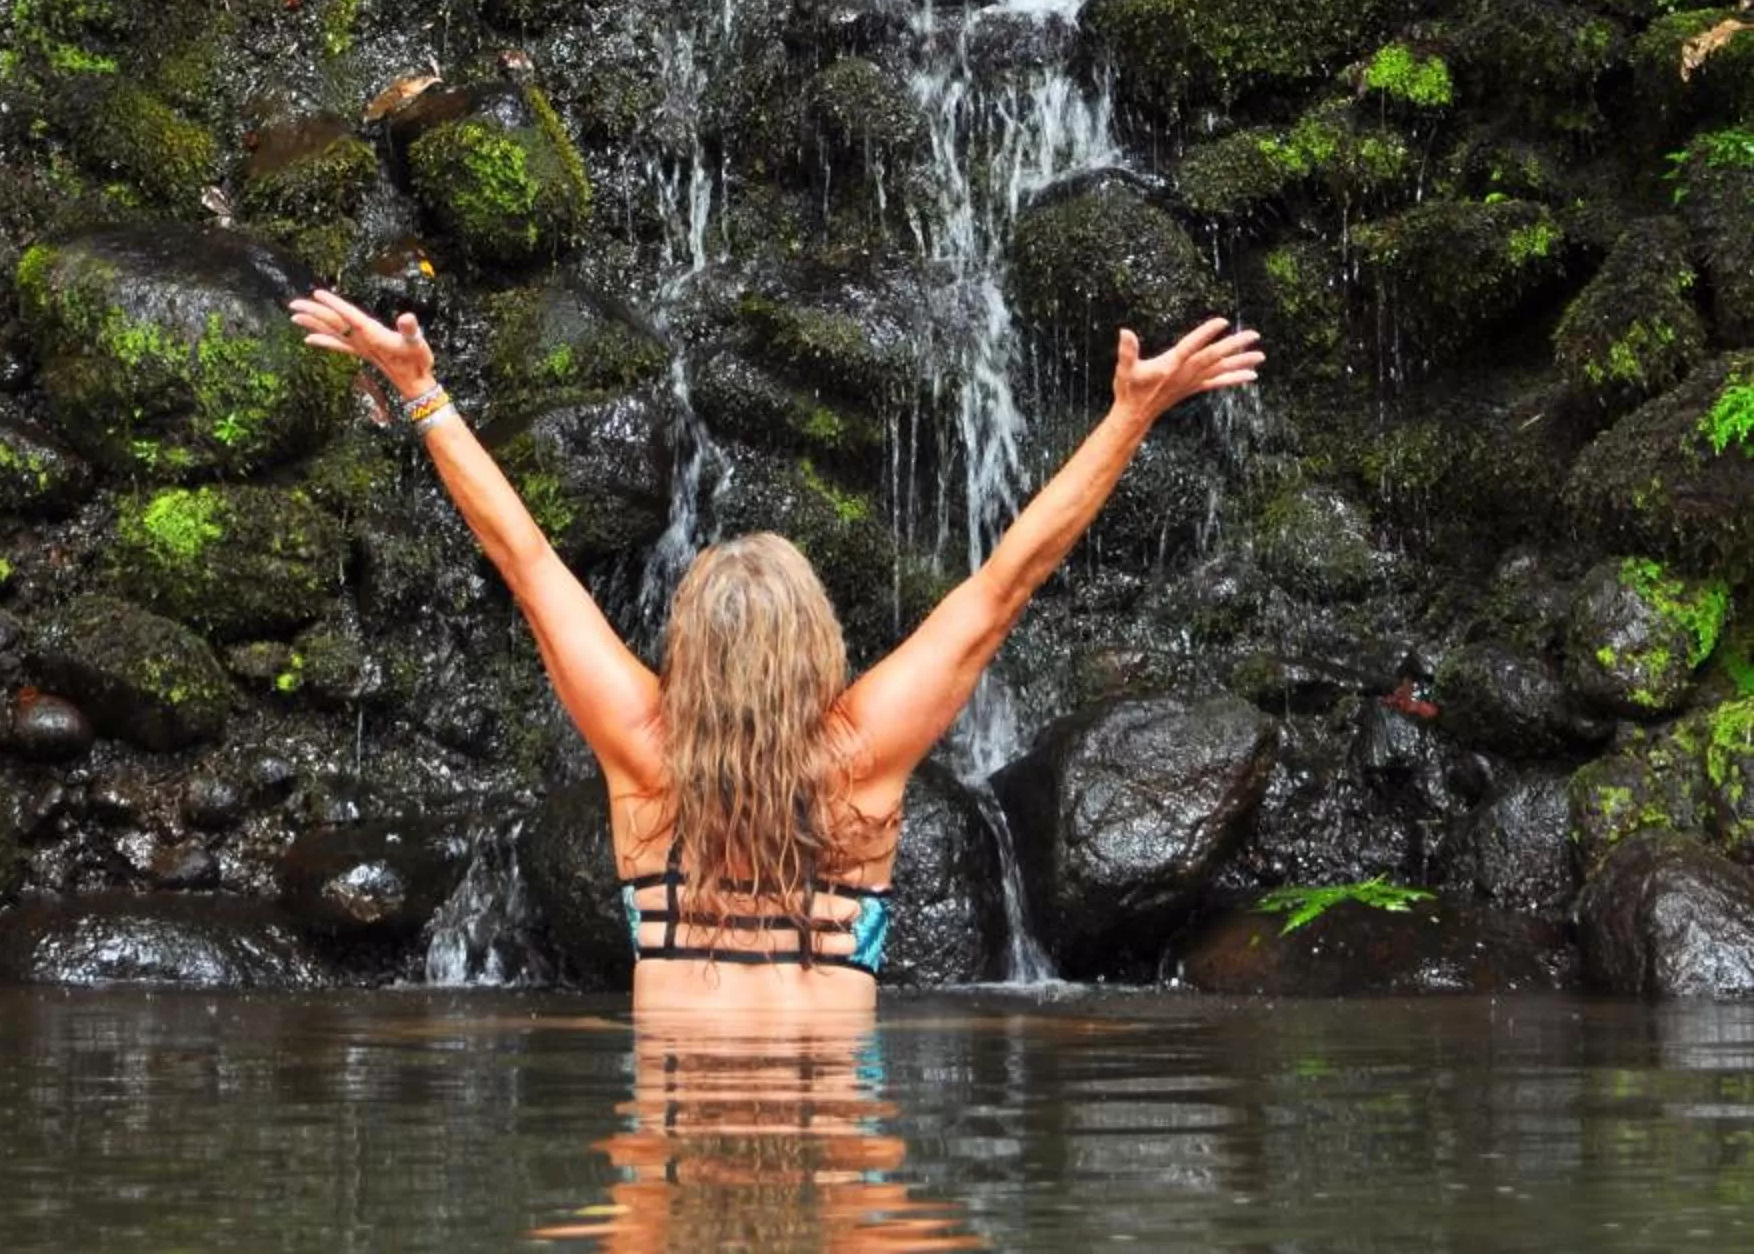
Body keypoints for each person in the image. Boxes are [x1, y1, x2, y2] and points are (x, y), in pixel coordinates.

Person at [290, 289, 1262, 1021]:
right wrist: (1131, 415)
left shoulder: (643, 750)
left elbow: (527, 558)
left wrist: (422, 394)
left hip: (667, 1162)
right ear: (819, 647)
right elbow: (1007, 579)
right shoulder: (863, 759)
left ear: (685, 645)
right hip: (837, 1163)